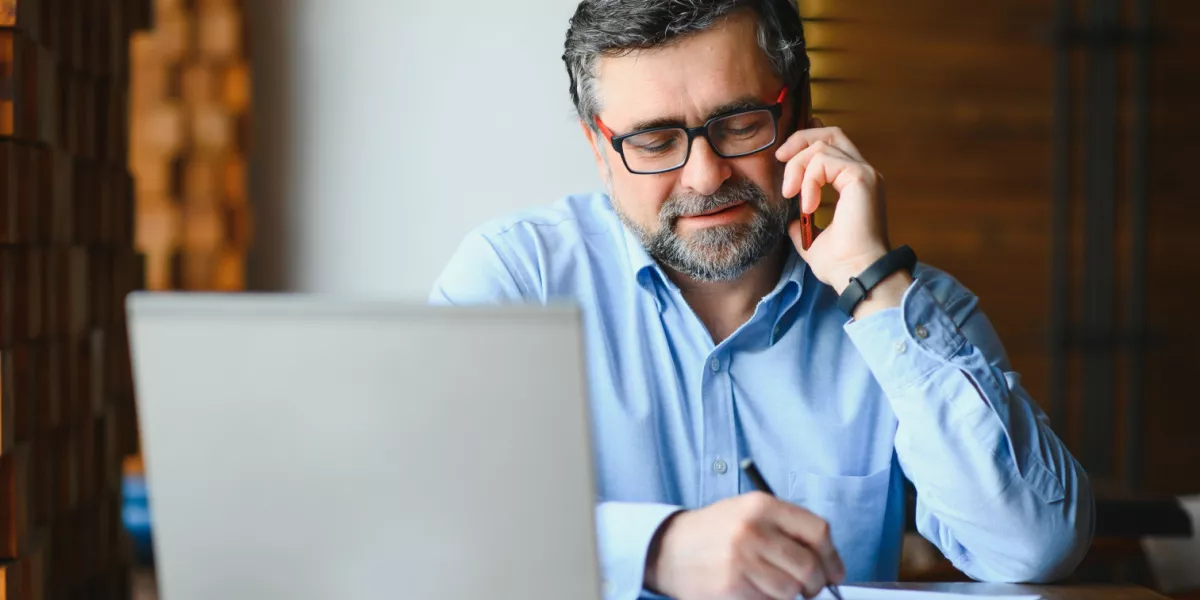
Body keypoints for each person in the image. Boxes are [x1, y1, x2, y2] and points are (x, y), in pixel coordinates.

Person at [429, 1, 1094, 599]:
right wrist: (656, 550)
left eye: (740, 124)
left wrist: (872, 284)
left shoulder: (910, 311)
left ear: (799, 113)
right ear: (600, 151)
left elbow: (1033, 545)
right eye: (655, 141)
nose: (704, 176)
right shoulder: (515, 281)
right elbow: (430, 515)